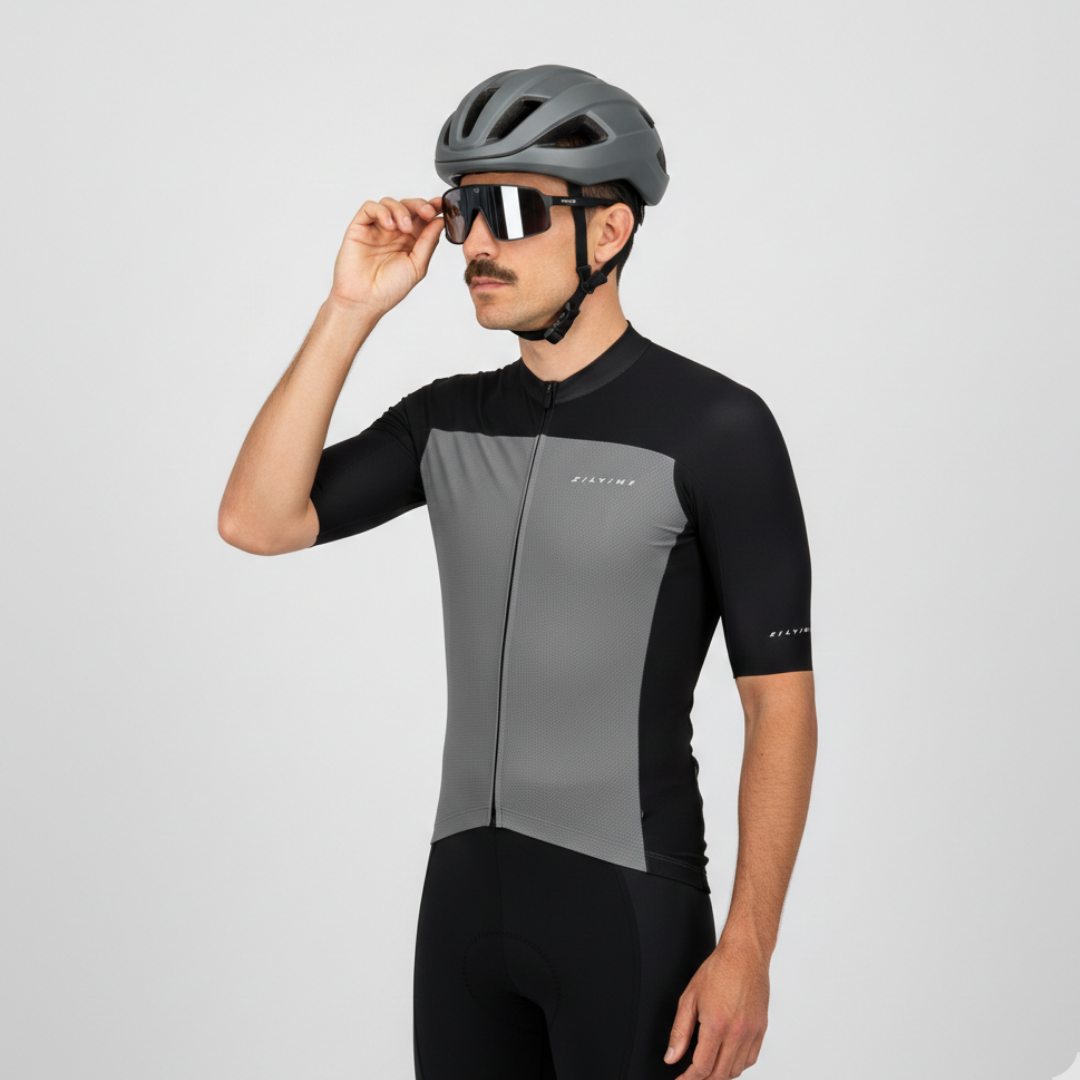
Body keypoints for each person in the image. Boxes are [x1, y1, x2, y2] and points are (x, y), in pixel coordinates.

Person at [218, 64, 817, 1080]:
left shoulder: (717, 428)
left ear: (610, 232)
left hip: (628, 914)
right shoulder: (446, 421)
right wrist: (350, 308)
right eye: (464, 211)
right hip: (462, 912)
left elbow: (781, 707)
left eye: (513, 211)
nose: (476, 245)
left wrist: (749, 950)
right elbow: (257, 520)